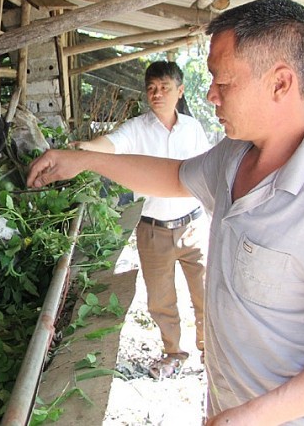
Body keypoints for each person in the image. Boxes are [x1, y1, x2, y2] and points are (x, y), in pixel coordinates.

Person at [27, 0, 304, 425]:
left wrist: (252, 416)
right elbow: (174, 177)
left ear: (281, 83)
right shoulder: (234, 154)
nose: (210, 96)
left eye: (223, 82)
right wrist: (85, 160)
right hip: (227, 405)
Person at [73, 60, 210, 379]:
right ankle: (173, 353)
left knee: (205, 293)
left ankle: (210, 352)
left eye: (164, 87)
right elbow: (110, 144)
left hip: (193, 226)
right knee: (161, 299)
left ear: (180, 90)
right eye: (151, 88)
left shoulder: (193, 129)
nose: (157, 94)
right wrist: (84, 150)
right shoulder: (136, 128)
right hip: (153, 231)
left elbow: (206, 171)